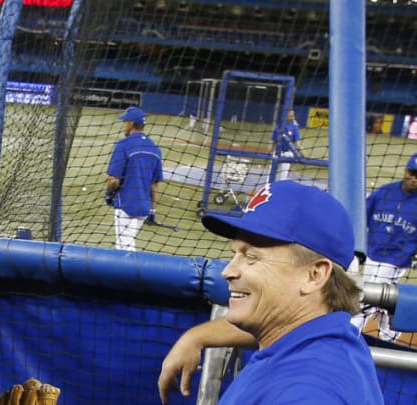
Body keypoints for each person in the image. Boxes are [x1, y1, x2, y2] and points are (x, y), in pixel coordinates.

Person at [157, 181, 383, 405]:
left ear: (313, 275)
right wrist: (196, 336)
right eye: (235, 254)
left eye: (251, 257)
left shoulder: (309, 390)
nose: (228, 271)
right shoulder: (319, 340)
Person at [351, 152, 417, 342]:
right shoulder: (385, 192)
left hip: (397, 263)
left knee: (364, 302)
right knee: (384, 308)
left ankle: (351, 335)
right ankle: (390, 338)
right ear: (405, 171)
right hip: (373, 257)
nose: (414, 178)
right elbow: (360, 216)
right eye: (412, 172)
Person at [106, 106, 163, 251]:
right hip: (143, 208)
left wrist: (109, 193)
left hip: (126, 205)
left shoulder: (123, 145)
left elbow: (114, 180)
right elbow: (155, 185)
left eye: (125, 121)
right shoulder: (155, 149)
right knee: (128, 242)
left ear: (131, 123)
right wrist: (152, 210)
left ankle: (129, 274)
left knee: (125, 248)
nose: (123, 125)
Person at [270, 109, 301, 181]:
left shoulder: (294, 127)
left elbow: (297, 142)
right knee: (271, 172)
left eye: (293, 116)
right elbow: (274, 140)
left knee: (284, 175)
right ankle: (268, 186)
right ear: (285, 116)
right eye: (290, 116)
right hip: (277, 152)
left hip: (288, 153)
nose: (292, 117)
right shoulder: (278, 126)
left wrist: (296, 152)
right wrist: (272, 150)